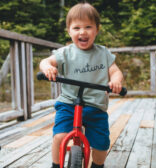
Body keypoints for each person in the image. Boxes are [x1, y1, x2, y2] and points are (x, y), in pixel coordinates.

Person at [39, 2, 123, 168]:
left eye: (88, 27)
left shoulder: (103, 53)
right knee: (60, 136)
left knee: (101, 144)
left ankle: (97, 165)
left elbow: (115, 71)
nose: (82, 32)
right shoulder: (66, 52)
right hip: (69, 103)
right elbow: (46, 61)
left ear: (97, 30)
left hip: (96, 105)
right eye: (76, 28)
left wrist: (116, 81)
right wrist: (47, 67)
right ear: (69, 31)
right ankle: (56, 164)